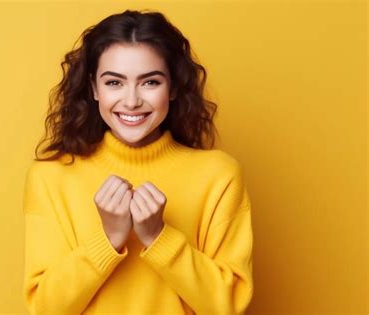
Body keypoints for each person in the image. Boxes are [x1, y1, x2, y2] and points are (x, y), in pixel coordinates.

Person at [22, 9, 254, 315]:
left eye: (150, 82)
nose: (131, 101)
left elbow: (228, 305)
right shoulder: (51, 177)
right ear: (94, 88)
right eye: (115, 83)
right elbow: (45, 308)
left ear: (172, 88)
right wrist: (107, 239)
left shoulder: (219, 175)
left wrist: (159, 237)